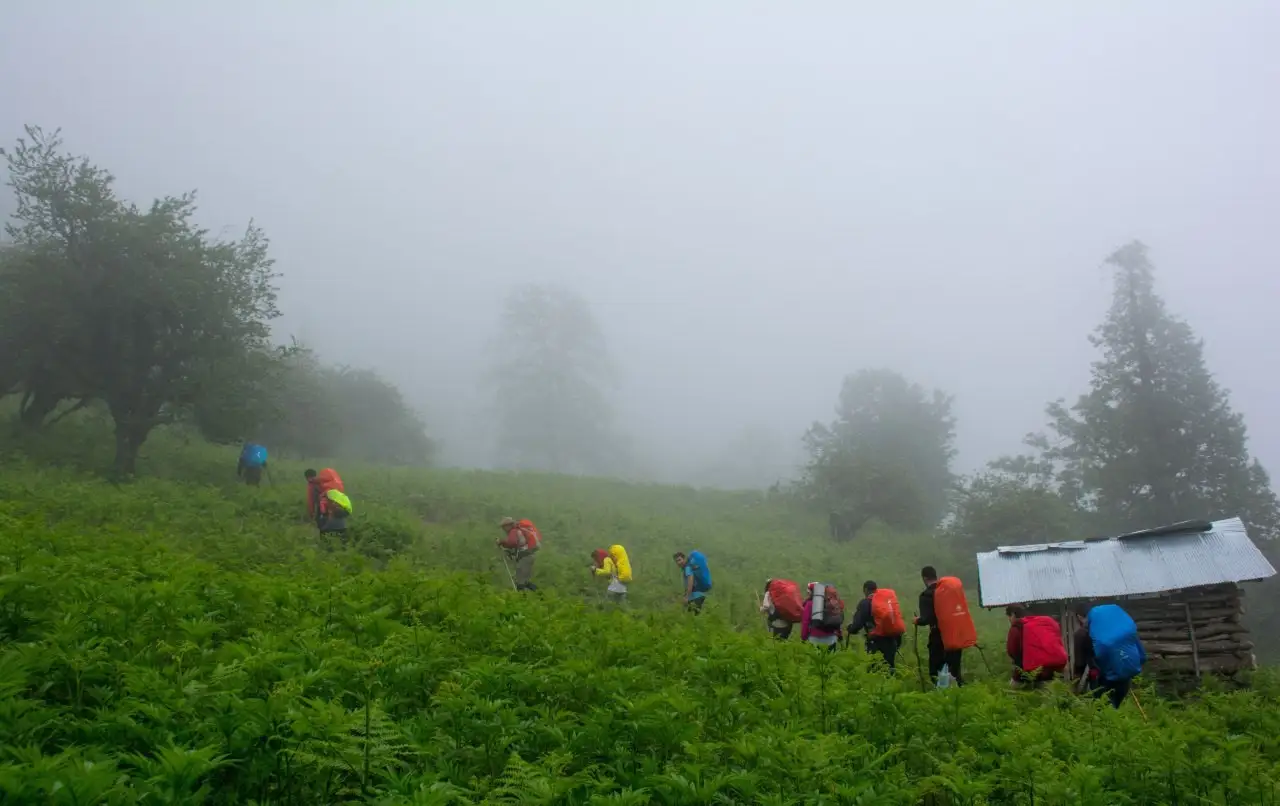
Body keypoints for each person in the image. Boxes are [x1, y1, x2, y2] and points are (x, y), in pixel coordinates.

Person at [1073, 603, 1145, 709]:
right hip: (1124, 675)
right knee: (1114, 707)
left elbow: (1080, 664)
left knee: (1103, 709)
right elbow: (1141, 654)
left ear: (1079, 617)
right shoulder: (1117, 629)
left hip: (1102, 678)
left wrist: (1075, 686)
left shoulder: (1082, 633)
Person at [915, 566, 964, 686]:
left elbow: (926, 619)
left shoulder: (926, 595)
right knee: (954, 670)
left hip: (938, 637)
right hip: (955, 635)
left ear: (924, 578)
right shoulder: (948, 592)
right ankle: (959, 692)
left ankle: (941, 693)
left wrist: (917, 620)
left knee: (936, 670)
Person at [847, 580, 905, 672]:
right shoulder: (886, 601)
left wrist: (851, 629)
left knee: (874, 668)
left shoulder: (865, 603)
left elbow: (858, 624)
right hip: (892, 639)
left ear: (866, 590)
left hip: (875, 641)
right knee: (889, 667)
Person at [1006, 605, 1068, 688]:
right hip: (1048, 671)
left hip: (1024, 672)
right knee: (1048, 694)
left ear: (1013, 614)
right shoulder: (1044, 623)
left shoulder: (1017, 627)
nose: (1009, 620)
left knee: (1012, 692)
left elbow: (1012, 650)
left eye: (1009, 617)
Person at [498, 517, 541, 591]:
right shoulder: (518, 531)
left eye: (504, 527)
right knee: (525, 581)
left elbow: (512, 543)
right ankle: (540, 595)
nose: (503, 529)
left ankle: (524, 597)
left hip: (525, 558)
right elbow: (517, 545)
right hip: (529, 556)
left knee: (520, 582)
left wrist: (501, 542)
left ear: (509, 525)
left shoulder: (514, 531)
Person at [305, 468, 349, 538]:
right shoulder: (329, 481)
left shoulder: (312, 485)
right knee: (339, 524)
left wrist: (311, 514)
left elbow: (311, 501)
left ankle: (324, 539)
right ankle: (343, 538)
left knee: (323, 526)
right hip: (338, 504)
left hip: (324, 506)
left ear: (307, 478)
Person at [800, 582, 843, 651]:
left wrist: (803, 638)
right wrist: (840, 635)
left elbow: (806, 622)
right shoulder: (832, 603)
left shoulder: (809, 604)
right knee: (830, 657)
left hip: (815, 639)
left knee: (815, 658)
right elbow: (837, 620)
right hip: (832, 638)